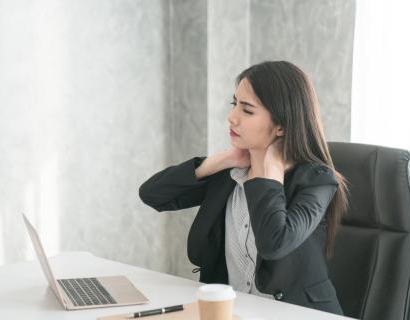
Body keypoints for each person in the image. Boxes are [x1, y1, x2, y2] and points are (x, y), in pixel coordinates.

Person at [139, 61, 348, 315]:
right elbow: (152, 194)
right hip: (236, 312)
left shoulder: (317, 180)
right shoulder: (229, 173)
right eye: (234, 103)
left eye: (247, 110)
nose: (232, 117)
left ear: (281, 125)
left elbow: (274, 243)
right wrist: (218, 161)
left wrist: (269, 178)